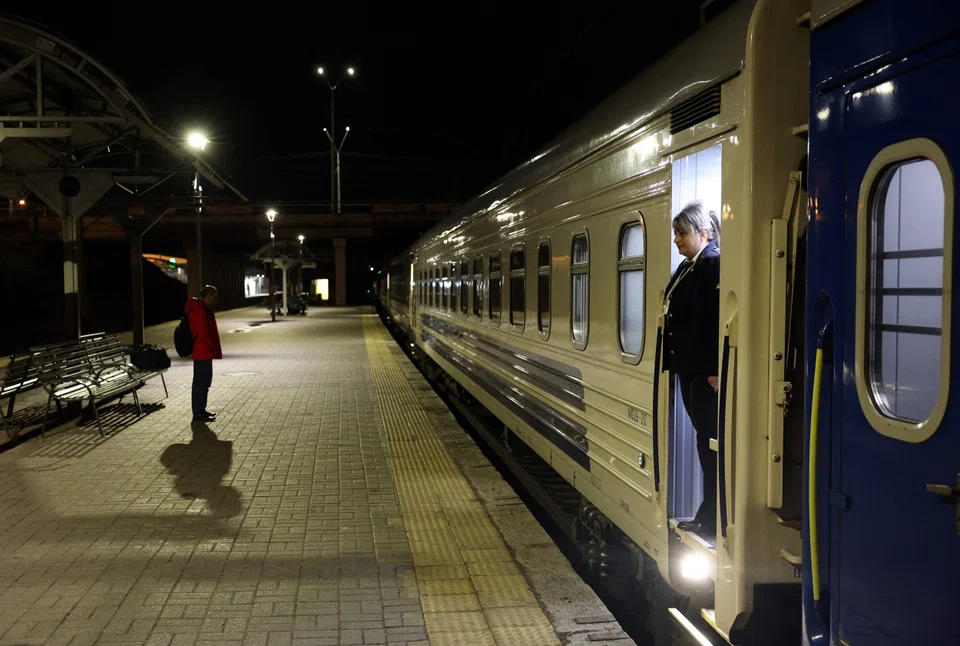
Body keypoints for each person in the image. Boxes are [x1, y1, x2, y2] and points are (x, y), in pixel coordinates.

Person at [661, 200, 721, 536]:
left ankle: (711, 513)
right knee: (702, 439)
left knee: (708, 441)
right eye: (675, 233)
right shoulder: (691, 266)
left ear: (703, 232)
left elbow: (715, 321)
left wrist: (714, 369)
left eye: (682, 233)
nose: (676, 239)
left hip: (704, 374)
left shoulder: (712, 264)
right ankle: (707, 510)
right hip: (691, 371)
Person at [185, 285, 222, 422]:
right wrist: (211, 347)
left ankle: (202, 409)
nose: (216, 298)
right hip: (202, 351)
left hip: (204, 351)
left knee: (205, 382)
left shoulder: (203, 309)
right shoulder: (199, 311)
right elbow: (202, 333)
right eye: (214, 295)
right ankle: (197, 412)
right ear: (209, 296)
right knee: (200, 382)